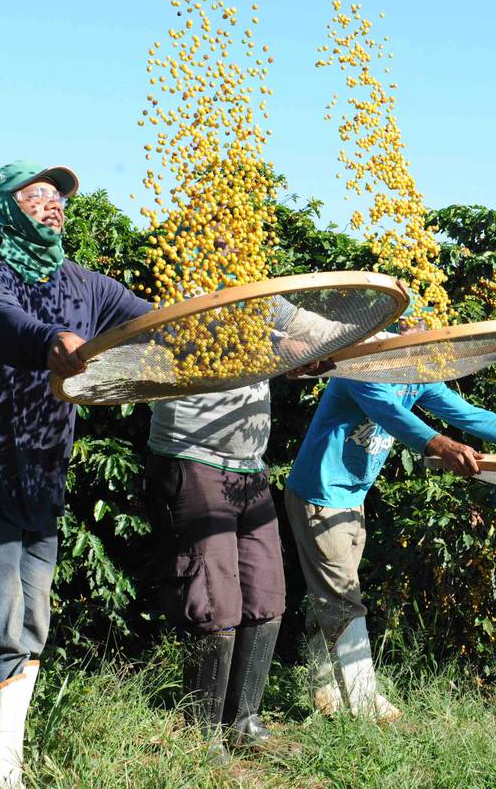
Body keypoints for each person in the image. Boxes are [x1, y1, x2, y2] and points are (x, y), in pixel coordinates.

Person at [0, 161, 153, 788]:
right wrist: (51, 338)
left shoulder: (82, 284)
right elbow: (7, 325)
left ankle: (4, 769)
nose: (54, 206)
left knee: (31, 627)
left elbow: (153, 320)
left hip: (41, 479)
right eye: (39, 196)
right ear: (4, 206)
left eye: (59, 199)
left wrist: (258, 338)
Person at [283, 308, 496, 722]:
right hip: (319, 495)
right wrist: (441, 446)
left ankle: (322, 688)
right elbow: (393, 417)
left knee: (330, 594)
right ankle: (364, 704)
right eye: (424, 332)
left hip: (353, 497)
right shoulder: (362, 368)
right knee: (343, 594)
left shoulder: (418, 374)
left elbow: (466, 413)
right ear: (403, 332)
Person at [145, 295, 353, 761]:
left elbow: (309, 327)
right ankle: (202, 737)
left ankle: (243, 721)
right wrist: (282, 348)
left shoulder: (259, 297)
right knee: (213, 599)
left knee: (266, 594)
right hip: (191, 458)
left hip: (248, 468)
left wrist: (364, 340)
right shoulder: (185, 294)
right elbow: (199, 344)